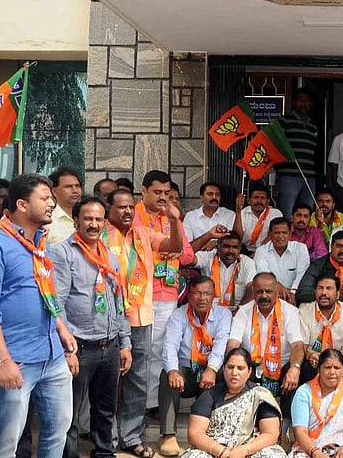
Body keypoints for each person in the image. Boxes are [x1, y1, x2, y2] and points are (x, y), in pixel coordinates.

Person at [0, 174, 77, 458]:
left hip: (52, 355)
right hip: (15, 358)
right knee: (7, 440)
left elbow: (45, 291)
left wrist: (61, 328)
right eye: (44, 198)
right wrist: (2, 361)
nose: (52, 203)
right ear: (21, 204)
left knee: (58, 430)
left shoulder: (42, 242)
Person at [104, 187, 185, 458]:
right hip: (107, 316)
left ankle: (131, 437)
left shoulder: (142, 233)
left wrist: (174, 220)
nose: (127, 211)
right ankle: (105, 439)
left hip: (139, 316)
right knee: (106, 380)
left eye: (130, 207)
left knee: (137, 379)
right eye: (121, 207)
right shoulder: (99, 234)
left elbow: (175, 247)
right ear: (108, 209)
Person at [51, 195, 132, 458]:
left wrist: (125, 343)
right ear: (76, 221)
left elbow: (119, 301)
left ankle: (104, 453)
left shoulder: (108, 255)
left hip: (109, 346)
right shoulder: (63, 253)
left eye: (99, 219)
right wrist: (68, 349)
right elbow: (57, 303)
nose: (94, 224)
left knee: (105, 409)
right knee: (69, 413)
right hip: (80, 348)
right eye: (88, 218)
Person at [133, 170, 196, 414]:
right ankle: (132, 404)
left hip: (167, 293)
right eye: (157, 192)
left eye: (167, 193)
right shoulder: (133, 215)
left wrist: (176, 251)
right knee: (138, 351)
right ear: (144, 190)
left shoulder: (172, 217)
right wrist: (160, 250)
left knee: (159, 350)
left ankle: (152, 404)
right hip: (139, 293)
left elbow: (189, 255)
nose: (162, 197)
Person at [159, 275, 232, 456]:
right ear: (189, 295)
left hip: (209, 370)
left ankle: (209, 433)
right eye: (197, 293)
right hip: (187, 371)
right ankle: (168, 435)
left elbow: (221, 344)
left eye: (207, 293)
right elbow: (170, 344)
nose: (202, 298)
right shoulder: (179, 314)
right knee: (166, 374)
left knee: (224, 372)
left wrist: (212, 369)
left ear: (213, 295)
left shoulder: (223, 314)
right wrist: (173, 371)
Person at [180, 347, 286, 458]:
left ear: (249, 371)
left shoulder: (260, 395)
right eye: (230, 367)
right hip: (214, 451)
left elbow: (270, 434)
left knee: (275, 455)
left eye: (240, 368)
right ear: (224, 368)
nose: (234, 372)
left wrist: (245, 450)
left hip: (250, 450)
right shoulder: (209, 395)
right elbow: (195, 433)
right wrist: (220, 450)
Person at [228, 272, 305, 408]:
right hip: (251, 368)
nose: (264, 296)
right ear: (253, 292)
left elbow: (297, 345)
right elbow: (233, 343)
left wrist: (295, 368)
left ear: (277, 292)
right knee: (231, 368)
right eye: (259, 292)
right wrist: (236, 367)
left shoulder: (290, 312)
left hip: (281, 368)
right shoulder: (243, 312)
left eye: (268, 291)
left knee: (297, 371)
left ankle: (286, 422)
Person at [291, 349, 343, 458]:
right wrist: (316, 453)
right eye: (327, 367)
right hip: (311, 450)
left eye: (337, 368)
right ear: (318, 369)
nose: (332, 372)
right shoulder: (304, 392)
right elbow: (300, 432)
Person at [298, 273, 343, 381]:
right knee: (306, 368)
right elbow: (302, 346)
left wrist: (338, 356)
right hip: (313, 359)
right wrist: (311, 355)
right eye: (320, 288)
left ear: (338, 294)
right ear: (315, 292)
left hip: (339, 359)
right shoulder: (304, 312)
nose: (324, 293)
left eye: (329, 289)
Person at [276, 88, 319, 218]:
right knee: (287, 212)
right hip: (289, 175)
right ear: (294, 102)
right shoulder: (284, 121)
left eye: (306, 101)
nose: (303, 103)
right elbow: (275, 144)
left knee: (307, 212)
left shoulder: (313, 125)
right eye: (300, 100)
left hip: (309, 175)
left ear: (311, 104)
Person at [194, 231, 255, 311]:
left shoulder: (247, 263)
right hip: (208, 311)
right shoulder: (207, 258)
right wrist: (208, 235)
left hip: (237, 312)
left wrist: (239, 311)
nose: (230, 251)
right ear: (218, 248)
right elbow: (187, 257)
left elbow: (252, 289)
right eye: (226, 246)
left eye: (235, 247)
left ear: (240, 249)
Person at [254, 217, 310, 298]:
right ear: (269, 234)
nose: (280, 236)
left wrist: (292, 293)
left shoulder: (301, 248)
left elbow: (302, 274)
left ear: (290, 234)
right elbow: (263, 275)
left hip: (296, 295)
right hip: (270, 295)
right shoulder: (261, 251)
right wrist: (277, 285)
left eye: (284, 233)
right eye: (277, 233)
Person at [184, 182, 236, 252]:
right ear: (201, 197)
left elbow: (232, 241)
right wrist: (207, 237)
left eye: (217, 194)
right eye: (210, 194)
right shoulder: (190, 217)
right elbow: (187, 248)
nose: (214, 197)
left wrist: (216, 243)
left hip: (221, 259)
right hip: (197, 260)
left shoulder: (230, 215)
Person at [234, 183, 283, 255]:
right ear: (249, 200)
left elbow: (272, 236)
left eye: (263, 198)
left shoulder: (275, 213)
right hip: (245, 251)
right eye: (256, 197)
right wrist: (238, 211)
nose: (259, 201)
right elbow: (238, 237)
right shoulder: (242, 213)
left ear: (268, 201)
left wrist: (257, 254)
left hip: (267, 250)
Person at [48, 165, 84, 244]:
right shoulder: (49, 221)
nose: (75, 190)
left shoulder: (89, 218)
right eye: (68, 187)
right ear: (54, 191)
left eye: (77, 186)